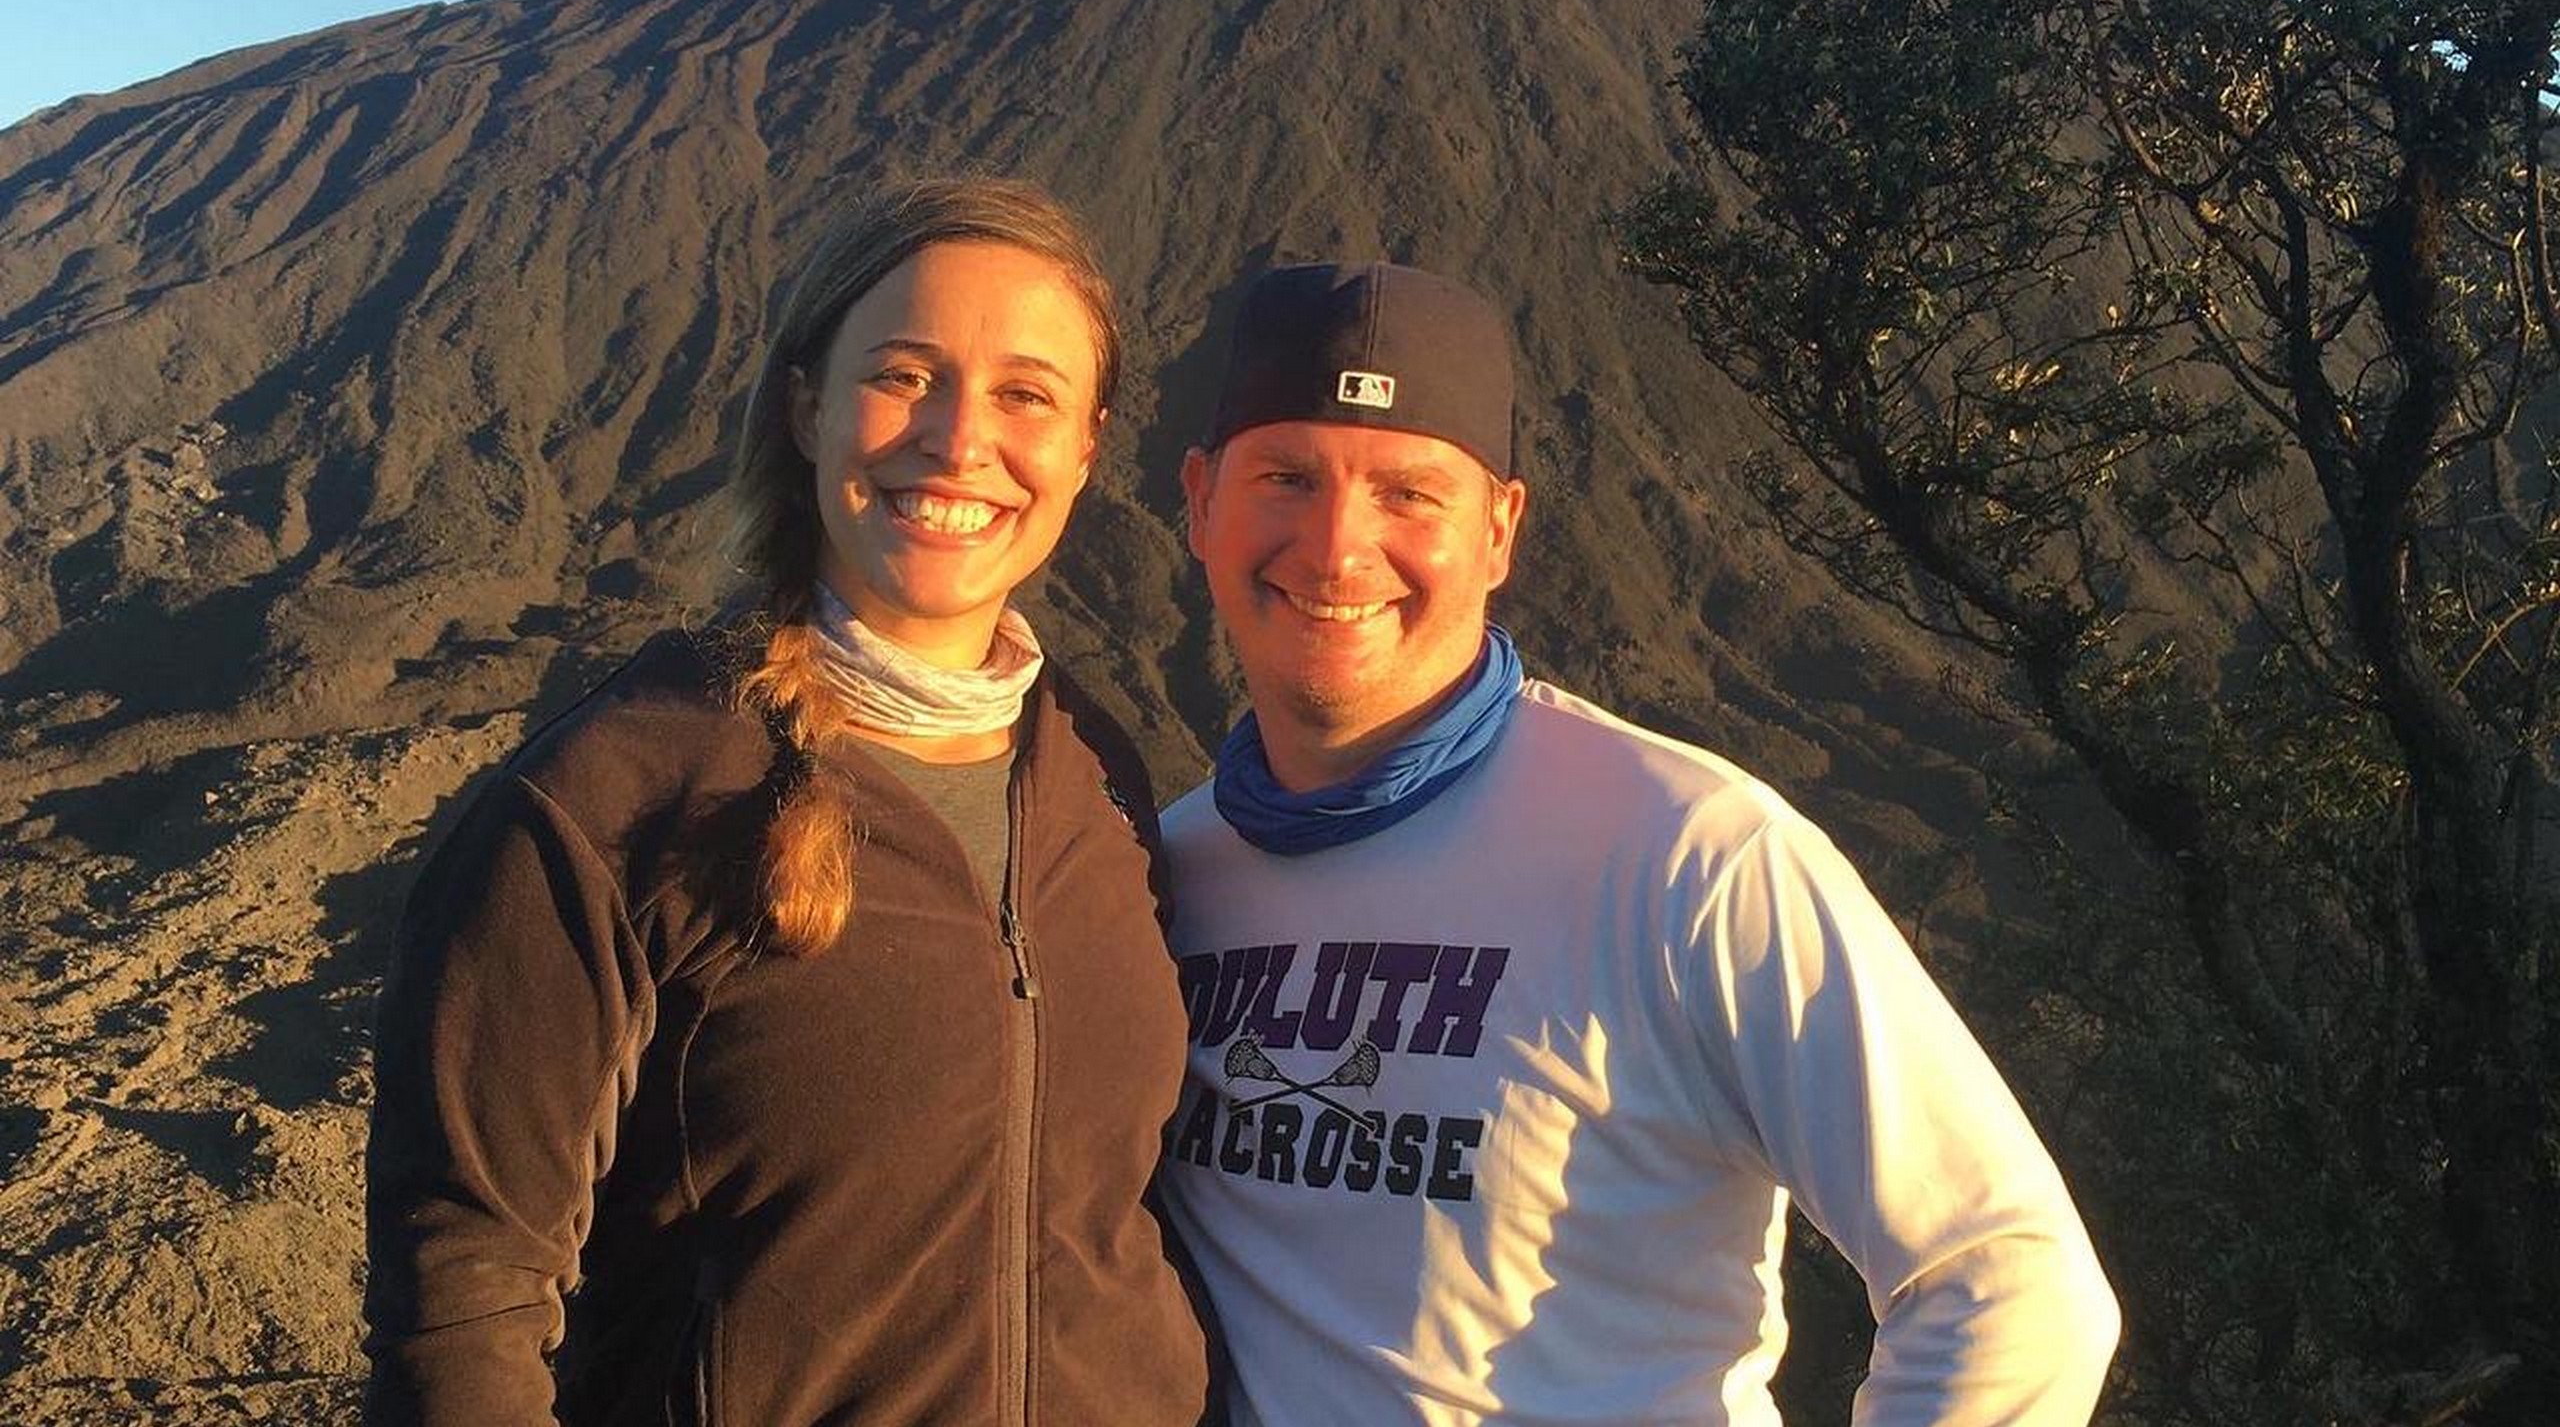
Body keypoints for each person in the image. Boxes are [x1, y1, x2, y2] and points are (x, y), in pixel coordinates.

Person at [1156, 260, 2119, 1426]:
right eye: (1287, 477)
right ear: (1200, 501)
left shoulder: (1687, 855)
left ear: (1499, 530)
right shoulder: (1162, 876)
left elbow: (2010, 1277)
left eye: (1409, 494)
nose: (1334, 547)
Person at [362, 177, 1213, 1426]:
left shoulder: (1098, 775)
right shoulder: (621, 795)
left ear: (1084, 448)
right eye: (906, 375)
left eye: (1026, 394)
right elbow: (463, 1300)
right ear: (807, 406)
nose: (961, 440)